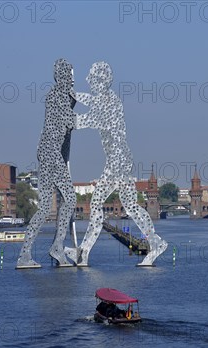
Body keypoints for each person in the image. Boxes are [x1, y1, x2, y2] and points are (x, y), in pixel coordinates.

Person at [64, 61, 167, 266]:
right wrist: (74, 94)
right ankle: (155, 243)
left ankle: (83, 253)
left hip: (117, 163)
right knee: (129, 206)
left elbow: (89, 120)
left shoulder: (110, 102)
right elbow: (91, 101)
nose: (88, 81)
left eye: (92, 78)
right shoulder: (106, 98)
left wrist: (67, 120)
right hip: (121, 161)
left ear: (101, 81)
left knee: (97, 204)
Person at [16, 59, 77, 268]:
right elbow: (71, 122)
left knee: (46, 206)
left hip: (50, 153)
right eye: (70, 75)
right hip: (50, 153)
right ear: (62, 76)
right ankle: (54, 248)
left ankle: (30, 254)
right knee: (68, 199)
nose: (72, 79)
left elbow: (66, 135)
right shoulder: (57, 96)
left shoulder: (58, 96)